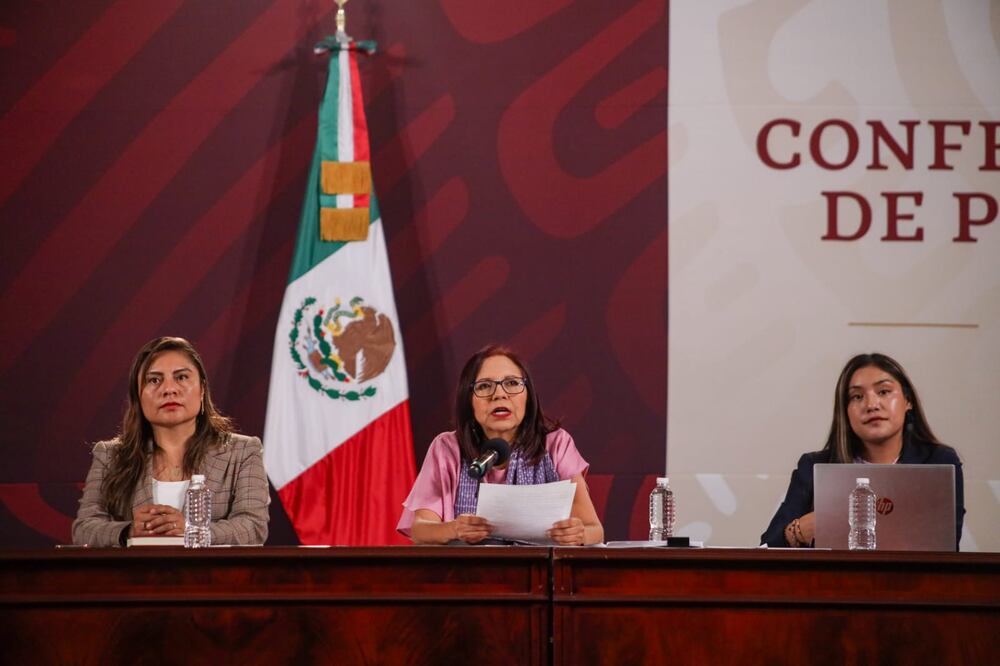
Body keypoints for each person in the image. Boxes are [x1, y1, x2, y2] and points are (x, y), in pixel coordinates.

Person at [72, 336, 269, 547]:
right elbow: (84, 528)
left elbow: (253, 527)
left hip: (212, 578)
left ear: (202, 389)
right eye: (154, 380)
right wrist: (128, 531)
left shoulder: (243, 451)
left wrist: (191, 531)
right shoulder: (110, 456)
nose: (169, 389)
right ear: (138, 396)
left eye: (182, 377)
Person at [398, 345, 604, 545]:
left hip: (540, 573)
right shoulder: (447, 447)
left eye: (512, 383)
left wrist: (578, 534)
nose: (499, 394)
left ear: (528, 396)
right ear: (468, 400)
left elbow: (594, 530)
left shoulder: (556, 444)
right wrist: (453, 529)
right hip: (468, 574)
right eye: (485, 386)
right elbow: (421, 529)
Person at [761, 352, 964, 550]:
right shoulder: (814, 466)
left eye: (883, 392)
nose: (871, 405)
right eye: (857, 396)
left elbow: (948, 544)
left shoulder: (939, 462)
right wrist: (799, 531)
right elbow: (768, 544)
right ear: (845, 410)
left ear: (907, 401)